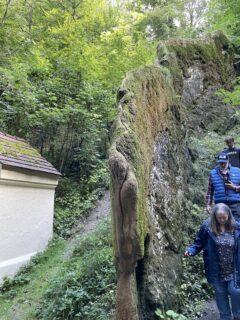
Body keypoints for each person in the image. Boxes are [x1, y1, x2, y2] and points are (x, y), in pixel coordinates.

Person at [185, 203, 240, 320]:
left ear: (229, 215)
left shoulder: (237, 227)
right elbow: (198, 243)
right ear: (214, 216)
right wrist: (191, 250)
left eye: (224, 217)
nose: (222, 220)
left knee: (235, 292)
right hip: (216, 271)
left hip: (234, 270)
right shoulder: (207, 227)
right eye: (219, 217)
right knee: (221, 298)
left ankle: (237, 315)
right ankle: (225, 317)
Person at [206, 152, 240, 221]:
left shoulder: (237, 171)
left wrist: (234, 187)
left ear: (228, 160)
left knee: (236, 226)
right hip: (220, 205)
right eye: (221, 162)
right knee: (221, 227)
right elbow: (210, 191)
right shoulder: (213, 173)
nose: (223, 164)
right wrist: (208, 205)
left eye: (224, 162)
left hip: (235, 204)